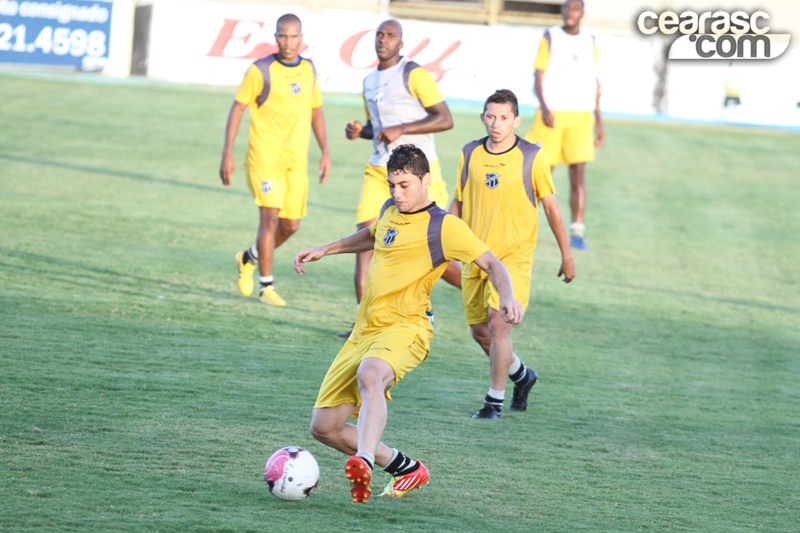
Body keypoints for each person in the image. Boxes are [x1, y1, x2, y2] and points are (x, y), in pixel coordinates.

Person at [295, 145, 524, 503]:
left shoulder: (444, 225)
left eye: (405, 185)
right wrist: (326, 248)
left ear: (426, 180)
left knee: (371, 375)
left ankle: (365, 459)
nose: (397, 193)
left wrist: (508, 296)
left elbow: (492, 263)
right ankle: (406, 468)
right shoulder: (389, 209)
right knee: (324, 428)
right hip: (364, 330)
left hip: (408, 327)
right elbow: (373, 235)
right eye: (392, 185)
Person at [450, 89, 575, 419]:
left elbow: (551, 207)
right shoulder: (470, 153)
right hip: (476, 256)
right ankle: (522, 375)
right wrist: (442, 242)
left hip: (514, 258)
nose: (496, 123)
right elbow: (458, 202)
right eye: (491, 116)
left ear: (516, 120)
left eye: (504, 118)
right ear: (482, 118)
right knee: (480, 334)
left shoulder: (532, 156)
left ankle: (494, 402)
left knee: (499, 323)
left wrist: (567, 255)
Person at [342, 19, 458, 336]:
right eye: (380, 35)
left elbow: (445, 119)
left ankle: (482, 294)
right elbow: (378, 129)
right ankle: (364, 324)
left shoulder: (413, 73)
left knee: (431, 250)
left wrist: (404, 129)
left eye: (390, 36)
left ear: (401, 43)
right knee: (367, 239)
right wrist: (359, 131)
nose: (384, 40)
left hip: (418, 173)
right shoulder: (369, 81)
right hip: (379, 168)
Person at [220, 13, 330, 306]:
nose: (288, 42)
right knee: (269, 218)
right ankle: (266, 287)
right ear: (275, 37)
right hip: (264, 159)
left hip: (296, 162)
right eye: (283, 35)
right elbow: (237, 108)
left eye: (293, 36)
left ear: (301, 39)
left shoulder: (309, 69)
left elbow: (316, 110)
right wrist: (227, 154)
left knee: (291, 225)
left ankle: (248, 257)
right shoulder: (260, 71)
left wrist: (325, 152)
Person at [524, 0, 604, 251]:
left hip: (580, 116)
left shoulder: (589, 39)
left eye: (574, 9)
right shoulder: (551, 36)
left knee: (578, 173)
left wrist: (599, 121)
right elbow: (538, 75)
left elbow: (594, 81)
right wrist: (545, 108)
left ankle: (577, 233)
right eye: (566, 9)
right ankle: (524, 228)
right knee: (538, 172)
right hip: (552, 114)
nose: (569, 13)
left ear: (583, 13)